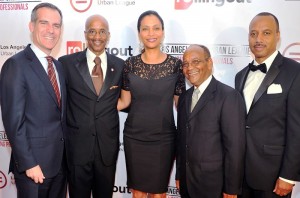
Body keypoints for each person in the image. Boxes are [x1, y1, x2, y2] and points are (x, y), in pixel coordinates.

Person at [0, 3, 67, 198]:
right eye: (44, 23)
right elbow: (14, 122)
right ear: (31, 26)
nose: (51, 30)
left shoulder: (58, 66)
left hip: (60, 166)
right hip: (33, 169)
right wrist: (29, 163)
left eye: (56, 25)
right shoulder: (16, 65)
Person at [117, 10, 186, 198]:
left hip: (164, 139)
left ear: (163, 32)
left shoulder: (175, 65)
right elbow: (124, 101)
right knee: (138, 192)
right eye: (145, 29)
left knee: (159, 193)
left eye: (156, 28)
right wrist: (93, 105)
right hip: (134, 138)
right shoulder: (129, 64)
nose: (151, 33)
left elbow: (182, 106)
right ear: (139, 33)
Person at [235, 12, 300, 198]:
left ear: (278, 36)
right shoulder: (240, 76)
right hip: (240, 176)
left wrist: (288, 176)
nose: (258, 39)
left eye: (266, 33)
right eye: (253, 33)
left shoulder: (295, 72)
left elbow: (297, 129)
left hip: (273, 176)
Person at [58, 14, 124, 198]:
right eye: (92, 31)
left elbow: (125, 100)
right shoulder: (66, 64)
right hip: (77, 148)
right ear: (85, 34)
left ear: (108, 35)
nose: (97, 36)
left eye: (102, 31)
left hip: (107, 149)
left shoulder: (120, 66)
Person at [176, 44, 246, 198]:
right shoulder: (184, 98)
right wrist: (179, 175)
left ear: (209, 63)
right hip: (187, 184)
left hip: (214, 186)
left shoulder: (229, 96)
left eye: (196, 62)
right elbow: (182, 140)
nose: (189, 68)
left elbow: (235, 148)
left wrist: (231, 188)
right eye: (185, 64)